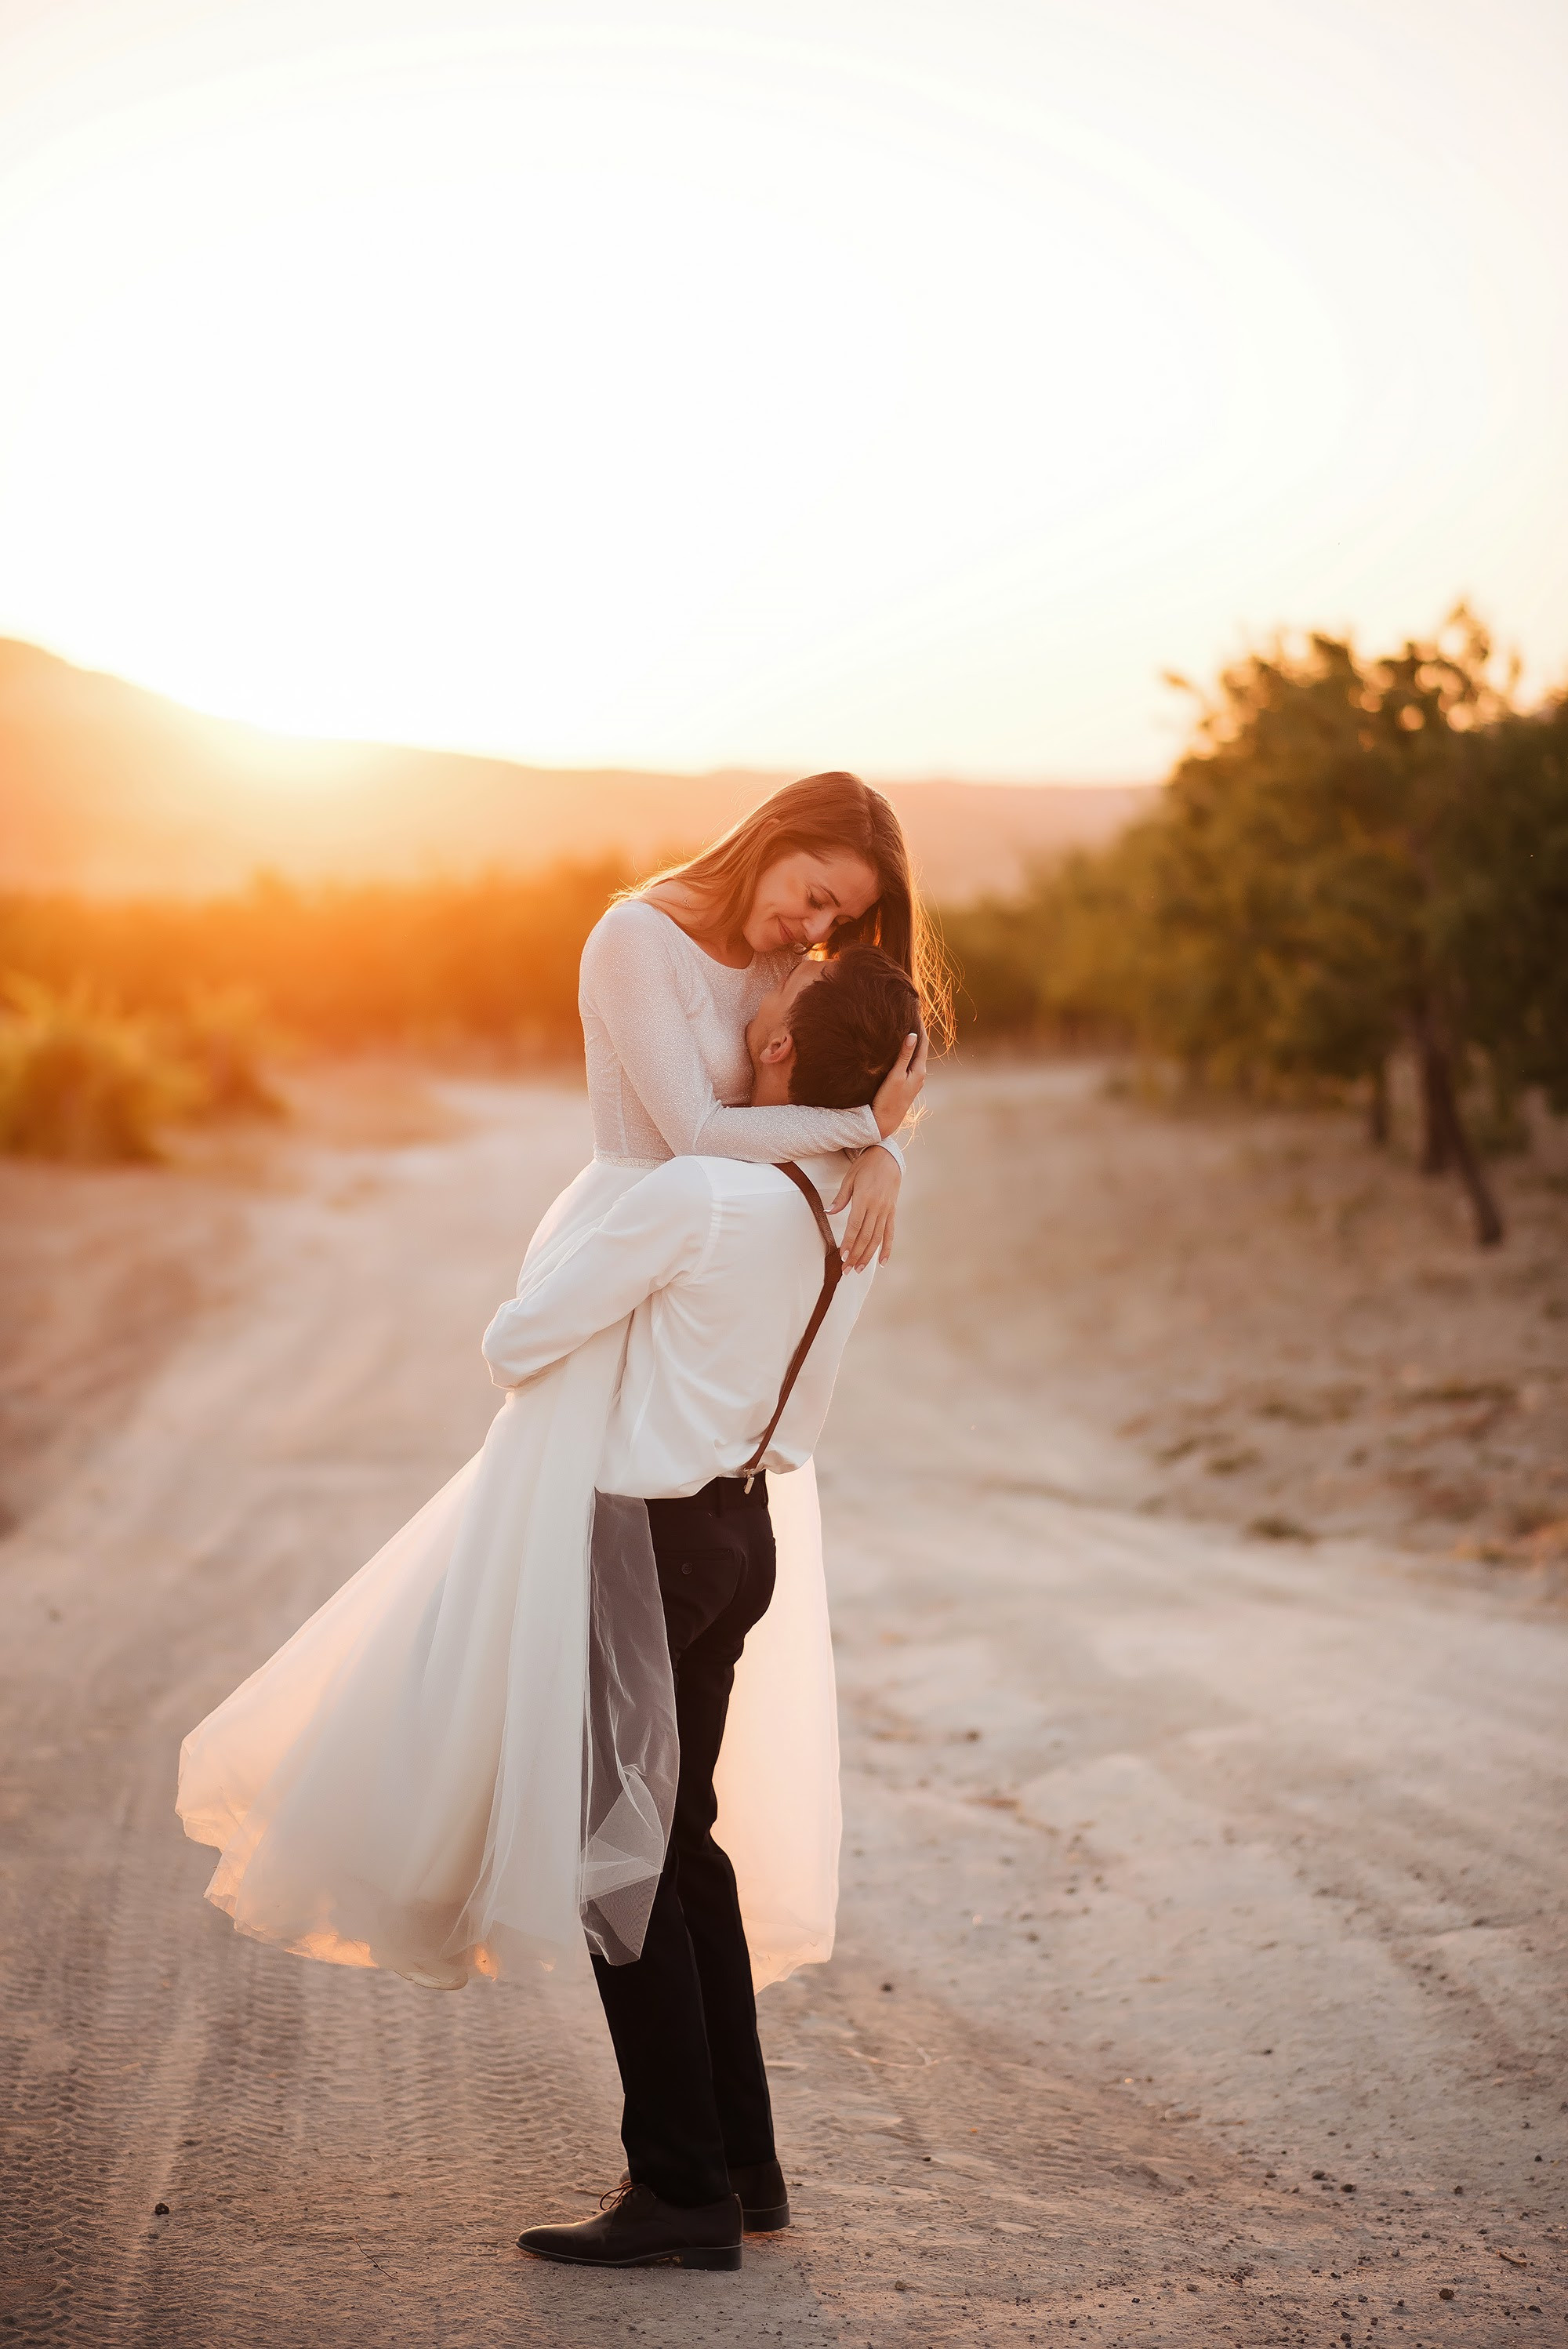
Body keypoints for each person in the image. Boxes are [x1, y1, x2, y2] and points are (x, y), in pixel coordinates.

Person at [177, 774, 941, 2049]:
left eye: (836, 921)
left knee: (647, 1777)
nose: (808, 934)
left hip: (696, 1256)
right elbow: (701, 1129)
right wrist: (869, 1132)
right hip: (642, 1228)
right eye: (813, 895)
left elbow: (806, 1088)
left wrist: (885, 1150)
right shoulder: (633, 939)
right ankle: (693, 2146)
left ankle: (694, 2161)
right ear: (773, 842)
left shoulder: (781, 975)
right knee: (527, 1621)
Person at [483, 946, 922, 2272]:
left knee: (620, 1858)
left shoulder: (699, 1197)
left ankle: (678, 2188)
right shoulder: (856, 1200)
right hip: (747, 1537)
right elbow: (872, 1125)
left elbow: (514, 1341)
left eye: (765, 1017)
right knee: (681, 1841)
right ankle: (741, 2161)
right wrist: (882, 1128)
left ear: (782, 1059)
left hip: (654, 1549)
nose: (744, 1026)